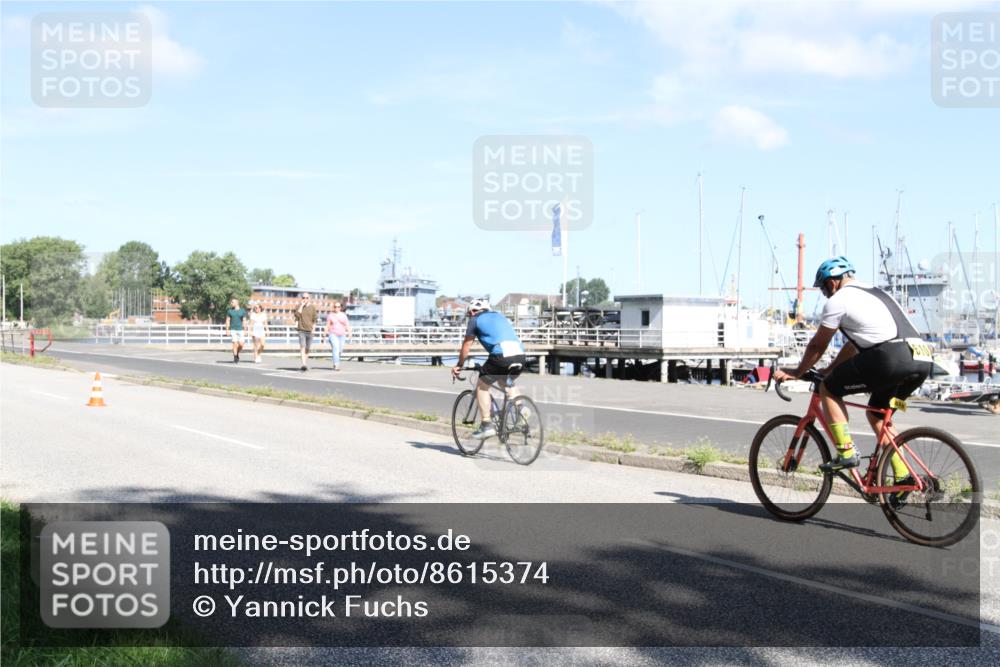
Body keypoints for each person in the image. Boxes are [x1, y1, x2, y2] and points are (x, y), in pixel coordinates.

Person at [773, 257, 932, 500]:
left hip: (890, 357)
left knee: (829, 389)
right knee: (878, 414)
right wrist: (830, 369)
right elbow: (855, 345)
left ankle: (846, 452)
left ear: (833, 282)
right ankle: (902, 478)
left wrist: (797, 371)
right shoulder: (874, 292)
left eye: (824, 288)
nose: (825, 294)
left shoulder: (839, 300)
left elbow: (817, 345)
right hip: (921, 359)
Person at [451, 298, 526, 439]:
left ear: (473, 311)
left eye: (469, 313)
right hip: (520, 355)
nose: (470, 316)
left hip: (501, 355)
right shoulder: (499, 316)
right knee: (505, 380)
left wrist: (459, 365)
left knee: (482, 385)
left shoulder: (475, 319)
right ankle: (522, 409)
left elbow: (466, 345)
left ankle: (486, 424)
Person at [293, 292, 317, 371]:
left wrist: (313, 330)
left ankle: (305, 363)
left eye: (307, 298)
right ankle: (303, 364)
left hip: (310, 330)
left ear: (309, 298)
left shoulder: (313, 307)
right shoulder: (298, 306)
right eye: (303, 297)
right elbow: (296, 316)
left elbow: (315, 320)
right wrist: (301, 306)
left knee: (307, 348)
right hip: (301, 330)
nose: (305, 299)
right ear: (302, 298)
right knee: (302, 346)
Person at [326, 301, 350, 371]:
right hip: (333, 334)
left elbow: (347, 324)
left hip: (342, 335)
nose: (337, 308)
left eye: (338, 307)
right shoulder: (330, 315)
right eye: (335, 307)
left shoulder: (343, 315)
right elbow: (327, 325)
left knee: (340, 350)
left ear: (340, 308)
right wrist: (324, 334)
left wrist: (350, 333)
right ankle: (336, 364)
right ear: (333, 308)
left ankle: (335, 361)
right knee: (336, 348)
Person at [225, 298, 247, 364]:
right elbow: (228, 320)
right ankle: (235, 357)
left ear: (237, 303)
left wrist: (245, 330)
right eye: (231, 302)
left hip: (240, 329)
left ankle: (237, 353)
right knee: (234, 343)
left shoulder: (242, 311)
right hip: (233, 329)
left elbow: (244, 321)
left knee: (241, 344)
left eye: (232, 302)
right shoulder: (230, 311)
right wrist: (227, 330)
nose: (231, 303)